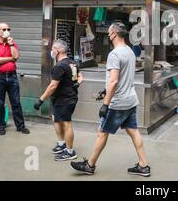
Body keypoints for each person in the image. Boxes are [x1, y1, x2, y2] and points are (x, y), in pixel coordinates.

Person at [70, 22, 150, 176]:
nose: (108, 35)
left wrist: (105, 104)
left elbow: (113, 81)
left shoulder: (114, 54)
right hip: (131, 100)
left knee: (102, 132)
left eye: (109, 32)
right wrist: (106, 90)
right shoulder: (130, 51)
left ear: (114, 34)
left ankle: (90, 165)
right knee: (133, 131)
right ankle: (143, 165)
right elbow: (120, 78)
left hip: (117, 103)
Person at [33, 40, 83, 161]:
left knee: (66, 123)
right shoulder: (72, 63)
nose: (52, 51)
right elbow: (81, 77)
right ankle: (62, 144)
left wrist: (41, 100)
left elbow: (53, 86)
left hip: (65, 99)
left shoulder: (60, 66)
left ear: (58, 51)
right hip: (64, 98)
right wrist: (77, 84)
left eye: (53, 49)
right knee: (56, 118)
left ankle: (70, 152)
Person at [0, 23, 29, 135]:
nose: (7, 30)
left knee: (16, 102)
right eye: (4, 29)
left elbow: (16, 57)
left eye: (8, 29)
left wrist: (11, 45)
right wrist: (10, 59)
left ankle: (20, 126)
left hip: (12, 76)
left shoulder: (12, 43)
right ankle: (0, 126)